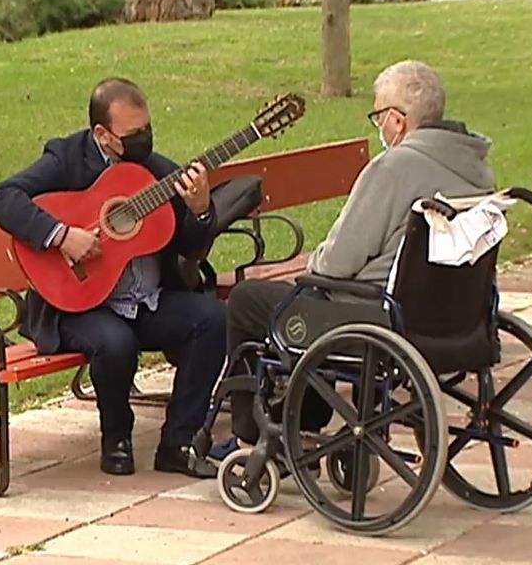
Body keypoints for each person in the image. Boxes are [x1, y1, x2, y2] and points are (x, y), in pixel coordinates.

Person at [212, 60, 498, 458]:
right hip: (458, 316)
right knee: (305, 306)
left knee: (250, 301)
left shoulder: (394, 168)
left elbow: (336, 264)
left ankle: (250, 439)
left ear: (397, 121)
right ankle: (303, 423)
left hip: (379, 314)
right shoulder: (478, 168)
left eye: (378, 114)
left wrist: (314, 267)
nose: (378, 124)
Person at [0, 77, 224, 478]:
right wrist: (61, 236)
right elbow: (1, 198)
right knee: (115, 343)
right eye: (133, 134)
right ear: (102, 134)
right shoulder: (67, 159)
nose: (144, 139)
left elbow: (191, 247)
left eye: (147, 128)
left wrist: (200, 210)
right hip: (78, 302)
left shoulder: (156, 171)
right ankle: (116, 438)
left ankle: (178, 443)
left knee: (211, 319)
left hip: (145, 300)